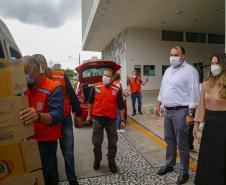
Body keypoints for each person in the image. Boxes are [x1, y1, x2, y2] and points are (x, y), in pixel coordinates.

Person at [33, 54, 82, 185]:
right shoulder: (35, 80)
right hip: (48, 122)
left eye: (36, 69)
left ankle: (72, 180)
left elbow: (71, 94)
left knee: (68, 152)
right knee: (51, 154)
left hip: (64, 119)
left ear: (43, 67)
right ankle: (54, 180)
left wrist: (78, 112)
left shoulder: (60, 76)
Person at [155, 46, 199, 184]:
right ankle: (169, 164)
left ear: (183, 56)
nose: (173, 57)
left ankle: (184, 171)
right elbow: (163, 88)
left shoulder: (190, 71)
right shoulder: (168, 70)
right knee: (169, 140)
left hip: (181, 111)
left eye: (176, 54)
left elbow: (194, 94)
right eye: (171, 54)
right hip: (168, 111)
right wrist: (159, 103)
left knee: (182, 143)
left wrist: (190, 114)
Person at [19, 56, 64, 185]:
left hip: (46, 143)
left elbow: (58, 114)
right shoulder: (22, 87)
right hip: (27, 140)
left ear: (36, 70)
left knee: (48, 175)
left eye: (25, 72)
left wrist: (39, 116)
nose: (23, 76)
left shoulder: (53, 88)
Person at [193, 53, 226, 185]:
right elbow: (201, 106)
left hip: (224, 124)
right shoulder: (206, 84)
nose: (213, 66)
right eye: (211, 63)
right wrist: (196, 124)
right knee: (208, 156)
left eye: (216, 63)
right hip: (210, 125)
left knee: (221, 156)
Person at [86, 69, 125, 173]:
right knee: (97, 142)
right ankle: (97, 160)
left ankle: (111, 162)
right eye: (104, 75)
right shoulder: (96, 87)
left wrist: (122, 120)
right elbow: (90, 102)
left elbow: (121, 106)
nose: (105, 77)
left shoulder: (117, 89)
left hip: (111, 120)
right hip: (97, 119)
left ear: (113, 78)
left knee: (112, 142)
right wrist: (89, 115)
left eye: (108, 76)